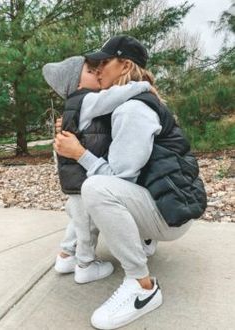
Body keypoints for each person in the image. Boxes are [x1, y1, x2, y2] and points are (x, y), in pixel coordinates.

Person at [53, 35, 207, 329]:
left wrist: (80, 154)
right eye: (93, 65)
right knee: (90, 191)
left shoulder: (132, 110)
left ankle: (142, 286)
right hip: (167, 202)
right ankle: (141, 239)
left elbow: (116, 181)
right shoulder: (124, 105)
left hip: (170, 216)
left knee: (95, 188)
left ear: (124, 65)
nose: (97, 69)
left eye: (103, 62)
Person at [42, 56, 155, 279]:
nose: (97, 72)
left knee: (79, 219)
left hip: (75, 177)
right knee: (87, 226)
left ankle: (66, 256)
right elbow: (114, 96)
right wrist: (143, 86)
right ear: (77, 84)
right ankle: (85, 265)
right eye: (90, 72)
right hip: (83, 178)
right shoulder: (86, 100)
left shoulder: (77, 105)